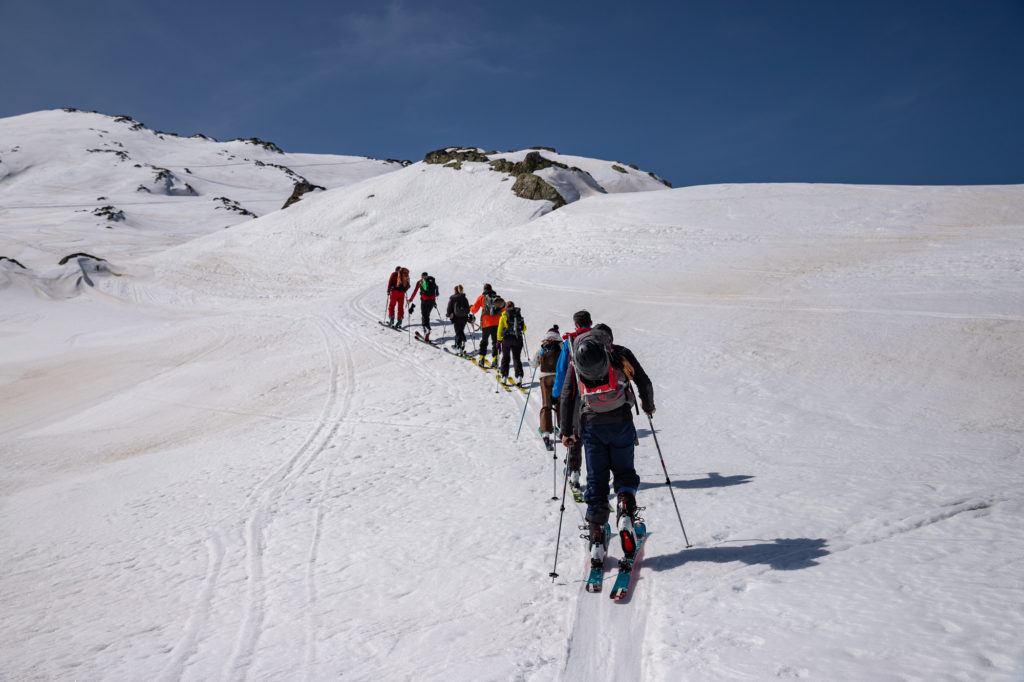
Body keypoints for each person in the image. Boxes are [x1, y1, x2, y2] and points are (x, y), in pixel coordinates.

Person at [559, 322, 655, 573]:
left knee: (597, 482)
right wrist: (647, 405)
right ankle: (625, 511)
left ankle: (598, 542)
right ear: (607, 340)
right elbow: (643, 380)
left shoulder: (576, 360)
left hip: (590, 426)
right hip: (621, 422)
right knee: (624, 474)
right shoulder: (619, 353)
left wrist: (566, 431)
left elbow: (568, 394)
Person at [551, 310, 593, 491]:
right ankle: (596, 477)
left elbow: (561, 371)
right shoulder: (599, 340)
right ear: (590, 322)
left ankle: (574, 472)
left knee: (574, 435)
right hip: (598, 398)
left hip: (577, 396)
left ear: (576, 325)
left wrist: (556, 393)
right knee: (593, 438)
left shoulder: (570, 342)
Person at [531, 325, 562, 453]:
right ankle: (562, 429)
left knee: (546, 404)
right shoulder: (561, 345)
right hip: (559, 376)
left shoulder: (542, 345)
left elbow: (534, 363)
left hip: (545, 378)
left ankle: (546, 433)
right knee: (560, 403)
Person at [469, 284, 503, 368]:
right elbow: (503, 309)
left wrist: (470, 308)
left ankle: (481, 359)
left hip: (486, 323)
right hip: (497, 323)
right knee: (495, 342)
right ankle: (495, 360)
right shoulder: (497, 298)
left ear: (484, 289)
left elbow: (474, 309)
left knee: (484, 341)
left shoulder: (482, 297)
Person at [497, 301, 527, 386]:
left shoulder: (503, 316)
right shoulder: (518, 315)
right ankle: (519, 376)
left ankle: (504, 376)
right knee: (516, 358)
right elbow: (524, 329)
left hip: (507, 339)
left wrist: (499, 340)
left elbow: (499, 330)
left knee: (505, 358)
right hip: (517, 339)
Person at [408, 271, 440, 341]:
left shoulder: (420, 282)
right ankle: (426, 332)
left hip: (425, 301)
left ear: (422, 276)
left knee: (424, 316)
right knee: (427, 315)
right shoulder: (431, 281)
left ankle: (427, 330)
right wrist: (434, 302)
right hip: (431, 301)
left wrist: (410, 300)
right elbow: (434, 292)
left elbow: (415, 292)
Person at [446, 284, 472, 353]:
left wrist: (448, 314)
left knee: (458, 332)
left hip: (456, 318)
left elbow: (449, 308)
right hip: (464, 318)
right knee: (460, 331)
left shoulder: (453, 298)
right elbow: (468, 309)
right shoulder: (464, 298)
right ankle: (458, 343)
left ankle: (459, 346)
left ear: (455, 290)